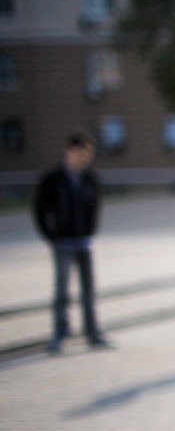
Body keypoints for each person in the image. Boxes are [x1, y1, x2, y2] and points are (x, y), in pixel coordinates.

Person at [32, 132, 110, 353]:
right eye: (83, 152)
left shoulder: (90, 178)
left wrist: (91, 230)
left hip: (84, 242)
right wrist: (51, 235)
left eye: (89, 153)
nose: (86, 157)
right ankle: (60, 334)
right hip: (63, 243)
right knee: (62, 291)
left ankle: (93, 333)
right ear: (71, 150)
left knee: (89, 291)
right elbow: (39, 209)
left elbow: (96, 205)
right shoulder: (53, 179)